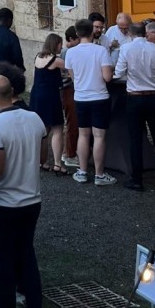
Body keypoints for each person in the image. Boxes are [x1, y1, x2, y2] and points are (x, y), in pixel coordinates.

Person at [0, 74, 48, 308]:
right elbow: (43, 157)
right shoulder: (34, 118)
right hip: (31, 198)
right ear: (12, 92)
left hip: (5, 200)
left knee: (5, 258)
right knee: (27, 254)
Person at [114, 22, 155, 190]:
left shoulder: (126, 49)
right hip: (154, 97)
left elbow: (118, 73)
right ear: (145, 33)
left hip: (134, 97)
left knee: (135, 139)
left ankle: (137, 179)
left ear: (131, 34)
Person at [64, 18, 116, 186]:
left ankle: (82, 171)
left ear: (77, 33)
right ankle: (99, 175)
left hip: (81, 97)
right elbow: (107, 77)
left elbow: (72, 77)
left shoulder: (71, 53)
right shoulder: (100, 51)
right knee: (99, 136)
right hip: (99, 97)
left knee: (83, 134)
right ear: (92, 32)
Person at [29, 33, 67, 173]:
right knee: (57, 129)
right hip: (50, 95)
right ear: (55, 44)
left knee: (43, 129)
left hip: (36, 94)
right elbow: (71, 68)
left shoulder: (38, 57)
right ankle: (57, 164)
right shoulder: (56, 60)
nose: (61, 47)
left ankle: (40, 161)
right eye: (59, 44)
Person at [61, 26, 80, 169]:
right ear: (72, 39)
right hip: (68, 89)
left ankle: (67, 151)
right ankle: (70, 154)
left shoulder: (66, 51)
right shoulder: (68, 52)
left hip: (68, 89)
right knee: (72, 122)